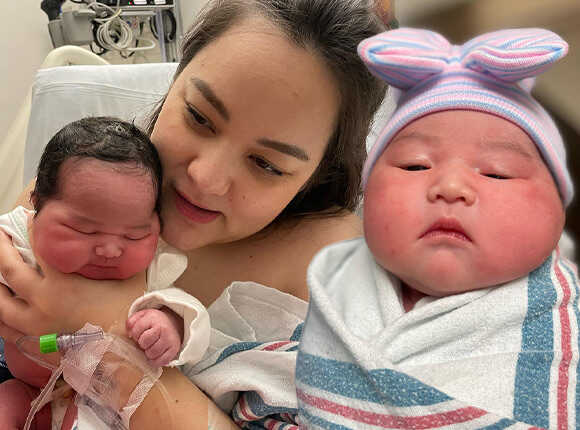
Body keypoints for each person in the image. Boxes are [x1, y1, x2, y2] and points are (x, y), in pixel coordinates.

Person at [0, 0, 389, 429]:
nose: (206, 179)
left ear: (317, 173)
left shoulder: (335, 267)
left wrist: (108, 335)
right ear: (175, 81)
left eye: (266, 164)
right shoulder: (84, 185)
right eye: (199, 117)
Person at [296, 27, 579, 429]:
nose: (450, 187)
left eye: (497, 173)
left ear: (557, 214)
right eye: (415, 165)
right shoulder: (335, 278)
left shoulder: (561, 321)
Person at [0, 117, 210, 429]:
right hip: (28, 389)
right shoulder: (16, 235)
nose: (111, 250)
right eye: (84, 230)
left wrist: (171, 325)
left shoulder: (153, 268)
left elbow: (189, 311)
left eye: (134, 236)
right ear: (36, 207)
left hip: (99, 407)